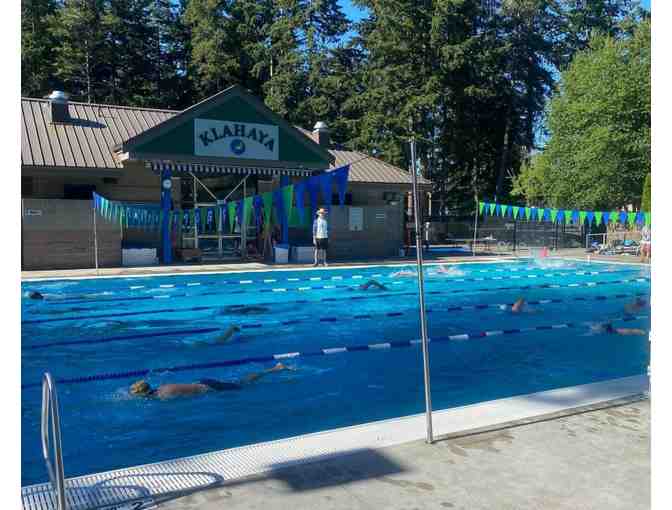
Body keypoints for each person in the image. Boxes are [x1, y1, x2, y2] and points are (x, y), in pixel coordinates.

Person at [129, 362, 293, 400]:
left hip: (210, 387)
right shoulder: (161, 388)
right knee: (239, 381)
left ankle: (275, 368)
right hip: (202, 382)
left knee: (244, 383)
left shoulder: (164, 396)